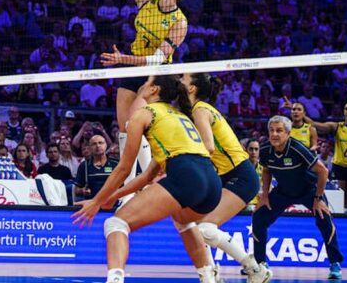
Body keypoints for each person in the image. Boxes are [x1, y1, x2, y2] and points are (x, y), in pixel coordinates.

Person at [72, 75, 220, 283]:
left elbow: (124, 168)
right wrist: (113, 196)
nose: (143, 85)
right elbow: (148, 176)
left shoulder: (143, 113)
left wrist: (97, 201)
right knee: (183, 220)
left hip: (186, 174)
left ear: (153, 90)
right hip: (212, 182)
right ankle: (208, 277)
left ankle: (115, 280)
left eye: (147, 82)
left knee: (116, 223)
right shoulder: (179, 116)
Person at [99, 0, 203, 199]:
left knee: (137, 126)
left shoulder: (180, 21)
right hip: (131, 69)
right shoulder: (146, 0)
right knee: (124, 131)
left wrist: (123, 59)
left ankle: (145, 189)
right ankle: (133, 191)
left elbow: (158, 58)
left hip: (156, 76)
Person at [180, 73, 266, 281]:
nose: (179, 81)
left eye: (183, 78)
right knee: (193, 225)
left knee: (206, 229)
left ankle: (255, 269)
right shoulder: (195, 111)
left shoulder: (200, 110)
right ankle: (212, 274)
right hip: (223, 176)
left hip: (241, 175)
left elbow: (208, 147)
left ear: (192, 88)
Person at [253, 116, 343, 280]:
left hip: (309, 190)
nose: (274, 134)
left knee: (325, 219)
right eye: (271, 130)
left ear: (288, 133)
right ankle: (260, 264)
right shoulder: (265, 150)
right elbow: (266, 170)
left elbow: (323, 171)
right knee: (259, 217)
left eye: (279, 130)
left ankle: (335, 263)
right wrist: (265, 195)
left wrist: (318, 198)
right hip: (283, 191)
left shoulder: (298, 148)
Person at [311, 97, 347, 214]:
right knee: (338, 204)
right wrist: (302, 116)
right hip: (339, 168)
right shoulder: (337, 126)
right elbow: (317, 125)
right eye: (346, 109)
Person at [245, 139, 262, 211]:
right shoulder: (240, 168)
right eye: (251, 149)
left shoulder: (264, 168)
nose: (253, 152)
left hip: (260, 203)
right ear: (246, 151)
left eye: (256, 149)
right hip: (245, 204)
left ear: (259, 151)